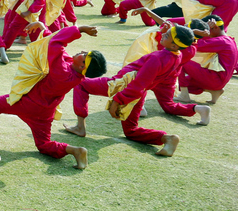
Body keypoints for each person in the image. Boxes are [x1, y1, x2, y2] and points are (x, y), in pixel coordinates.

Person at [0, 23, 106, 169]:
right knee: (44, 145)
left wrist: (80, 29)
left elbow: (56, 43)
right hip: (45, 112)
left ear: (82, 66)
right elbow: (53, 45)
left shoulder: (63, 71)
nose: (82, 51)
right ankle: (75, 150)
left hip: (27, 103)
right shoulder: (76, 74)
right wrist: (41, 26)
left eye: (84, 55)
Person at [65, 24, 197, 157]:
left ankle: (80, 127)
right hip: (138, 93)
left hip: (122, 85)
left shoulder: (156, 58)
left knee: (81, 85)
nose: (163, 34)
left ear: (174, 45)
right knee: (131, 131)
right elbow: (143, 84)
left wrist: (117, 100)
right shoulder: (177, 54)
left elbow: (138, 83)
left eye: (167, 35)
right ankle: (167, 138)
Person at [177, 14, 237, 104]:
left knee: (181, 60)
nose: (205, 33)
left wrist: (192, 32)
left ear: (215, 27)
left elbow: (196, 45)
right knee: (188, 82)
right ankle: (215, 91)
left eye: (206, 30)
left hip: (215, 80)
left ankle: (184, 95)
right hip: (219, 80)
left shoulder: (222, 41)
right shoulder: (229, 40)